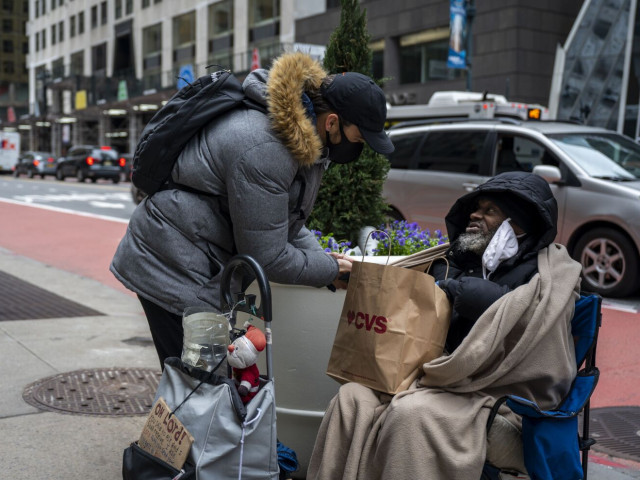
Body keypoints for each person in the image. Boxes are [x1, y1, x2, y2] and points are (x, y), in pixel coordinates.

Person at [110, 52, 394, 367]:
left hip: (196, 258)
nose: (361, 146)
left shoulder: (303, 140)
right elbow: (267, 256)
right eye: (360, 137)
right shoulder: (267, 148)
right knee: (198, 387)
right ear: (332, 122)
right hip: (170, 265)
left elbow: (286, 223)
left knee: (206, 385)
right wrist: (330, 270)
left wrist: (328, 263)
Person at [308, 171, 583, 479]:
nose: (475, 215)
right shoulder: (457, 262)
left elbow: (528, 316)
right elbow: (409, 287)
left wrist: (460, 291)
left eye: (490, 210)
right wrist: (356, 274)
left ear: (518, 224)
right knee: (352, 397)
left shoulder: (549, 276)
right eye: (476, 208)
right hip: (434, 380)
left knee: (412, 413)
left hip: (499, 400)